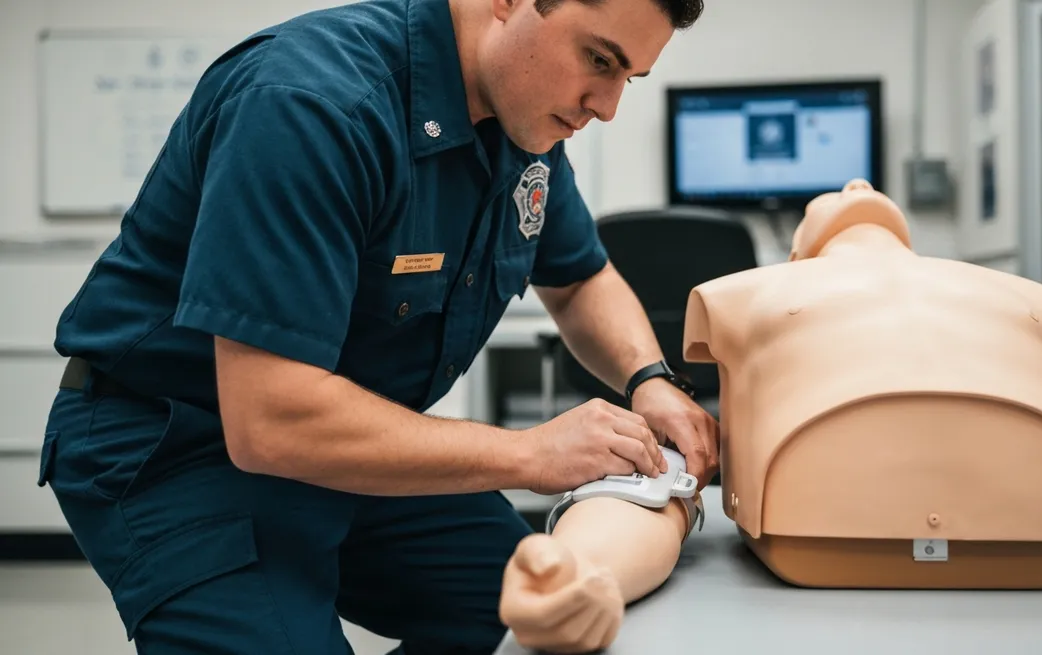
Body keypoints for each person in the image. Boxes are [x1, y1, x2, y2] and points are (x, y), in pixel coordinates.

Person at [36, 0, 716, 653]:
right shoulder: (309, 104)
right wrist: (532, 455)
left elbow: (579, 278)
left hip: (350, 440)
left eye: (628, 77)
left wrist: (650, 378)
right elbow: (271, 420)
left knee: (548, 612)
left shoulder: (522, 120)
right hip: (176, 444)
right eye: (599, 59)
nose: (608, 106)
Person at [495, 178, 1042, 651]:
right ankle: (585, 576)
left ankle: (588, 571)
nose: (857, 187)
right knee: (665, 461)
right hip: (1033, 549)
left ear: (797, 254)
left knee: (662, 468)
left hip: (815, 544)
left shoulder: (741, 293)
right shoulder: (1037, 301)